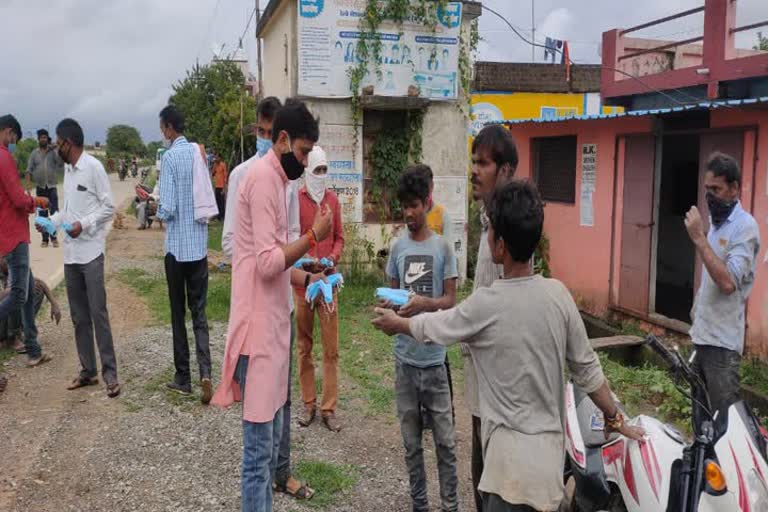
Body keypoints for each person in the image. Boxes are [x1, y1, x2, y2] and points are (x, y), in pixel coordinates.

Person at [373, 180, 645, 512]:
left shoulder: (488, 302)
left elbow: (438, 326)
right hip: (548, 479)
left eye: (490, 233)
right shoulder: (559, 296)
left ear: (500, 246)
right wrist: (616, 418)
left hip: (506, 481)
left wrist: (398, 324)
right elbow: (588, 369)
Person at [211, 99, 332, 512]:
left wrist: (309, 277)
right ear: (282, 139)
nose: (303, 161)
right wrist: (314, 237)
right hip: (259, 335)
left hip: (275, 332)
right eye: (301, 151)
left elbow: (282, 264)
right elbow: (266, 263)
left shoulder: (282, 184)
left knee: (269, 447)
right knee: (258, 457)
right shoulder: (262, 180)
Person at [381, 167, 459, 512]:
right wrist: (389, 309)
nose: (409, 213)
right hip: (405, 363)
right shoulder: (397, 248)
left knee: (446, 444)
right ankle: (420, 506)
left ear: (427, 202)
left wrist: (425, 303)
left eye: (414, 205)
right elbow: (395, 301)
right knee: (411, 444)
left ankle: (451, 506)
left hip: (435, 361)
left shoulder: (443, 249)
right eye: (404, 207)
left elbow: (450, 300)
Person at [462, 124, 518, 511]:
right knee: (480, 478)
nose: (474, 171)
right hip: (480, 381)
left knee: (496, 488)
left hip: (502, 387)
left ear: (506, 171)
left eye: (482, 163)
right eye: (473, 162)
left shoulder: (512, 231)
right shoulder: (486, 225)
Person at [45, 118, 119, 398]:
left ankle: (110, 374)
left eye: (57, 141)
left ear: (69, 142)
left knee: (98, 314)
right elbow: (67, 210)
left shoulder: (94, 168)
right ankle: (88, 371)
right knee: (79, 317)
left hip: (91, 254)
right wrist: (52, 221)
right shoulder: (68, 170)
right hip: (71, 256)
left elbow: (108, 208)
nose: (55, 146)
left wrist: (84, 225)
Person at [685, 152, 760, 424]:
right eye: (707, 189)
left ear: (735, 188)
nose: (709, 197)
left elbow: (728, 283)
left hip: (722, 348)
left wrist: (699, 239)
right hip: (702, 337)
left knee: (723, 428)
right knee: (700, 423)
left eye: (716, 189)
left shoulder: (745, 228)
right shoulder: (716, 226)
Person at [156, 105, 214, 405]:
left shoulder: (169, 159)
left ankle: (183, 378)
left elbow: (168, 207)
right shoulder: (197, 153)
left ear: (168, 128)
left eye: (162, 128)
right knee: (200, 313)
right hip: (199, 248)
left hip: (177, 249)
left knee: (178, 314)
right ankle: (206, 370)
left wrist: (155, 208)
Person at [294, 146, 345, 432]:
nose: (321, 175)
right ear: (307, 171)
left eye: (325, 170)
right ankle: (309, 402)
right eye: (317, 170)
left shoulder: (333, 202)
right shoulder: (296, 200)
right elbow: (291, 238)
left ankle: (328, 408)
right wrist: (304, 262)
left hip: (327, 283)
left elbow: (339, 238)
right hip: (303, 284)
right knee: (304, 346)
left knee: (331, 348)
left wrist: (332, 258)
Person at [0, 114, 51, 368]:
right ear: (8, 132)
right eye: (14, 139)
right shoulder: (3, 157)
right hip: (13, 234)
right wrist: (36, 202)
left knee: (29, 292)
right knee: (19, 295)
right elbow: (19, 200)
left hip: (6, 233)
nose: (13, 144)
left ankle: (33, 350)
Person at [222, 97, 282, 258]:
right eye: (262, 132)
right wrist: (265, 262)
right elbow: (229, 241)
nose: (266, 138)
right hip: (251, 277)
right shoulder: (240, 175)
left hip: (284, 276)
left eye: (272, 133)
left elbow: (293, 231)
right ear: (255, 130)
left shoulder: (289, 178)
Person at [1, 258, 63, 351]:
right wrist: (12, 288)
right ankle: (11, 338)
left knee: (36, 288)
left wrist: (54, 304)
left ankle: (17, 332)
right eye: (3, 258)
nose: (7, 261)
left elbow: (39, 282)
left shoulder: (14, 265)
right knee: (16, 293)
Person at [27, 128, 64, 248]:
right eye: (41, 137)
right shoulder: (34, 153)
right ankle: (45, 240)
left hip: (52, 186)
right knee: (42, 215)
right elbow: (29, 170)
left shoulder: (53, 152)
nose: (43, 139)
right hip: (40, 188)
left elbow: (60, 163)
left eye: (45, 137)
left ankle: (54, 238)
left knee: (54, 213)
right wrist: (28, 187)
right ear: (38, 140)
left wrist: (56, 149)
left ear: (47, 139)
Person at [211, 154, 228, 221]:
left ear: (220, 158)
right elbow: (212, 173)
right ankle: (218, 216)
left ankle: (222, 216)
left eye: (217, 157)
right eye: (215, 157)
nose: (216, 158)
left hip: (222, 186)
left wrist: (224, 188)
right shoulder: (215, 165)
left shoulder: (223, 165)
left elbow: (225, 176)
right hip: (217, 186)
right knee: (217, 201)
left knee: (222, 202)